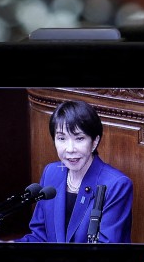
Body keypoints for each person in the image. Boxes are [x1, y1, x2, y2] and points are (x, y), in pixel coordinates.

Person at [16, 100, 133, 243]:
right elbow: (39, 236)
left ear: (94, 142)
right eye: (61, 138)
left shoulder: (116, 185)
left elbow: (107, 248)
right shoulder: (51, 173)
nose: (70, 149)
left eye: (79, 138)